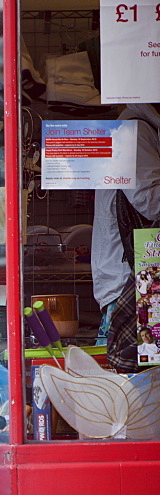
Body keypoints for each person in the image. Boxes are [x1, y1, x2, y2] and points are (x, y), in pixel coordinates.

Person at [93, 103, 160, 372]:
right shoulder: (135, 131)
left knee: (132, 386)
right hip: (130, 280)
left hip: (132, 277)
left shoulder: (137, 128)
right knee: (134, 385)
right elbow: (149, 200)